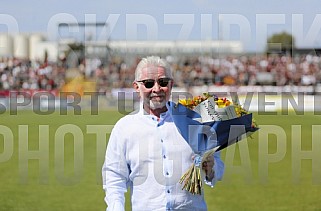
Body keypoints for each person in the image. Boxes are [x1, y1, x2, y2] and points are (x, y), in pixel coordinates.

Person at [102, 56, 224, 211]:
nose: (156, 89)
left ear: (171, 85)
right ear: (136, 87)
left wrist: (211, 168)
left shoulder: (194, 120)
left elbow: (218, 167)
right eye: (148, 83)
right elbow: (114, 177)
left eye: (163, 82)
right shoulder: (124, 128)